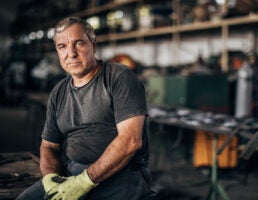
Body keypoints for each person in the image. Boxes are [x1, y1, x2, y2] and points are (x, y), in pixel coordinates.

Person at [16, 17, 154, 200]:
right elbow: (49, 145)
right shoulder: (59, 92)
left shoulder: (119, 78)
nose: (70, 53)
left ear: (93, 45)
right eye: (62, 47)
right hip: (73, 171)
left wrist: (84, 182)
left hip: (123, 174)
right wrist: (50, 178)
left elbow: (131, 141)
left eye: (79, 43)